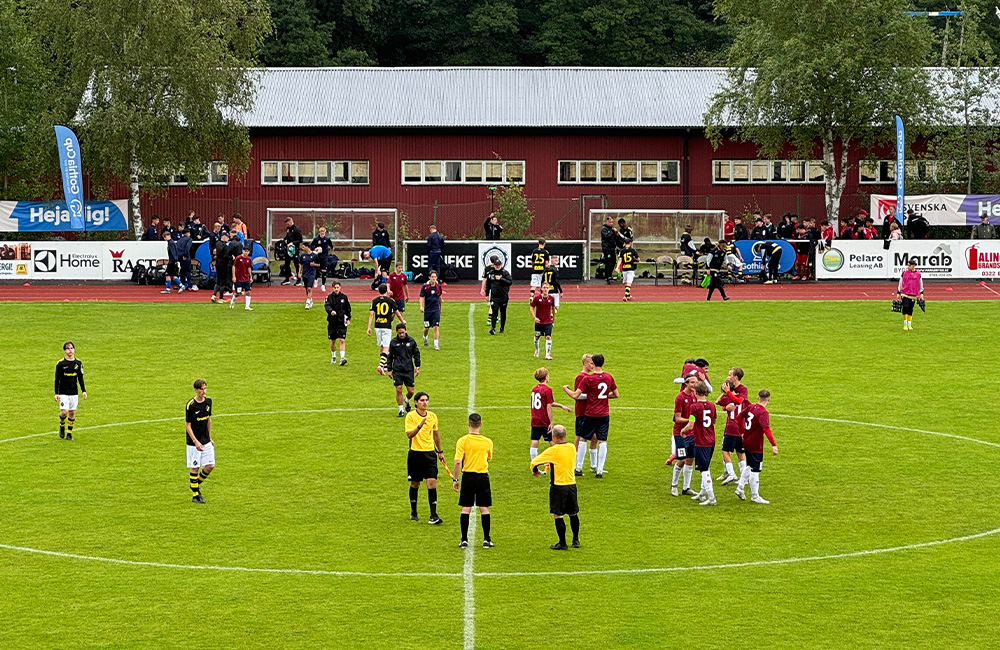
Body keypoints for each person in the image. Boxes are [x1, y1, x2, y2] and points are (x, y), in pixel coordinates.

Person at [561, 353, 618, 479]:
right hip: (601, 413)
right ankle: (598, 470)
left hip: (590, 412)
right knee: (600, 440)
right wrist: (601, 397)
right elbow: (616, 394)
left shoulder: (588, 378)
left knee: (584, 439)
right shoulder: (607, 377)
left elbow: (576, 395)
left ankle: (580, 467)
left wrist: (565, 389)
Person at [529, 425, 581, 550]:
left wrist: (535, 471)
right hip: (571, 484)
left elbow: (534, 462)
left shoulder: (553, 450)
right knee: (573, 513)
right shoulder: (571, 447)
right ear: (565, 435)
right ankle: (575, 539)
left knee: (558, 515)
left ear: (553, 437)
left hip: (558, 486)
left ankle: (562, 543)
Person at [453, 412, 494, 549]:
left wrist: (455, 479)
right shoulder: (488, 441)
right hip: (482, 476)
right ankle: (486, 539)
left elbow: (458, 461)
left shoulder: (462, 440)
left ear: (468, 424)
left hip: (468, 476)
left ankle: (464, 539)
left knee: (466, 508)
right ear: (480, 424)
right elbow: (488, 458)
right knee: (484, 508)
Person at [405, 391, 444, 524]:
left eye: (426, 400)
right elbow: (409, 435)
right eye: (422, 400)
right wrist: (419, 426)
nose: (425, 402)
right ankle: (413, 511)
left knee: (432, 483)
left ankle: (433, 515)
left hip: (430, 454)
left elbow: (436, 435)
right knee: (415, 483)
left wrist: (440, 451)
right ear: (416, 402)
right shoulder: (411, 416)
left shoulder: (432, 416)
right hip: (416, 454)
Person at [733, 389, 778, 504]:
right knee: (755, 470)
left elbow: (738, 417)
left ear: (758, 398)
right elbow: (766, 429)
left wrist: (742, 430)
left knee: (749, 465)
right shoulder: (763, 412)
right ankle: (755, 496)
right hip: (755, 444)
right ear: (768, 400)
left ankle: (740, 487)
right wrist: (773, 445)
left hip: (746, 440)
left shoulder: (751, 407)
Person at [680, 381, 718, 505]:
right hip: (711, 440)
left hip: (701, 441)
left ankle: (711, 498)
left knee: (704, 469)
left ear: (695, 392)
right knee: (705, 466)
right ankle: (702, 493)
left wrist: (683, 430)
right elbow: (715, 420)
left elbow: (691, 424)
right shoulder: (712, 405)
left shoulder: (694, 407)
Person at [530, 367, 572, 465]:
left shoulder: (534, 389)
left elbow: (545, 402)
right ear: (546, 377)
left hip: (535, 418)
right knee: (552, 440)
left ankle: (534, 462)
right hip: (544, 419)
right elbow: (548, 406)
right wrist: (551, 422)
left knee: (535, 441)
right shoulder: (547, 389)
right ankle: (556, 459)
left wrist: (561, 406)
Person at [716, 368, 748, 485]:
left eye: (730, 375)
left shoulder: (742, 389)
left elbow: (738, 401)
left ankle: (732, 474)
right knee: (740, 452)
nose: (728, 377)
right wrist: (725, 407)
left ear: (736, 377)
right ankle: (743, 478)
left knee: (726, 450)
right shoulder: (731, 393)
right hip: (740, 426)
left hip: (733, 425)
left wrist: (728, 392)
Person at [185, 379, 215, 504]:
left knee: (210, 466)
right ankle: (195, 495)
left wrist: (210, 437)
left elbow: (208, 419)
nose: (204, 391)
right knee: (195, 467)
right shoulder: (190, 405)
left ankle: (195, 484)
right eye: (202, 389)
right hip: (194, 443)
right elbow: (188, 425)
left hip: (206, 440)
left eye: (205, 388)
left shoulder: (208, 402)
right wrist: (195, 442)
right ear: (196, 390)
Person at [670, 374, 699, 496]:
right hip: (680, 434)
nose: (694, 385)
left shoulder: (694, 396)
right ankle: (674, 485)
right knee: (681, 459)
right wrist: (690, 420)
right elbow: (677, 418)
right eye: (692, 382)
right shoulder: (680, 398)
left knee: (690, 459)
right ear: (686, 383)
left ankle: (686, 487)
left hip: (691, 433)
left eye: (696, 382)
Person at [367, 284, 404, 375]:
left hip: (377, 326)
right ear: (386, 291)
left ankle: (384, 365)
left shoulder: (374, 301)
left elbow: (371, 314)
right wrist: (402, 321)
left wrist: (369, 327)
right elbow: (397, 312)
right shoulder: (390, 301)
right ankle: (380, 365)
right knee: (386, 347)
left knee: (381, 345)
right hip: (386, 325)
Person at [55, 341, 87, 441]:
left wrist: (83, 390)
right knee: (64, 412)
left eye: (71, 348)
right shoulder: (61, 364)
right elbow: (57, 379)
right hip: (63, 392)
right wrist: (56, 393)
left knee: (72, 412)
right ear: (64, 351)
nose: (70, 350)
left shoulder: (78, 363)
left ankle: (69, 434)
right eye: (68, 348)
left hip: (74, 392)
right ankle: (61, 424)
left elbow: (80, 378)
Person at [388, 323, 421, 417]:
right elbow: (390, 356)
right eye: (399, 333)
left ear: (405, 331)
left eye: (402, 332)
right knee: (398, 389)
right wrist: (389, 369)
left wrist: (417, 367)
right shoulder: (393, 342)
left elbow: (416, 354)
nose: (401, 334)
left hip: (408, 369)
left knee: (411, 391)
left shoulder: (411, 341)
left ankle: (406, 400)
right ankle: (400, 410)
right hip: (397, 369)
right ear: (397, 333)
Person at [483, 256, 512, 335]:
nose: (497, 266)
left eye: (499, 265)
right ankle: (493, 328)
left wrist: (501, 279)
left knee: (503, 312)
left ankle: (502, 327)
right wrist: (486, 294)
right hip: (494, 296)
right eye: (496, 265)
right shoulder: (491, 273)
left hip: (503, 296)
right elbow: (488, 284)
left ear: (501, 265)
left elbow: (510, 282)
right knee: (494, 312)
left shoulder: (505, 273)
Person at [324, 281, 351, 365]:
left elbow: (348, 309)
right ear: (332, 288)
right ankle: (333, 356)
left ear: (340, 287)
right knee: (333, 340)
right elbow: (327, 306)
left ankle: (342, 358)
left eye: (337, 287)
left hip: (341, 322)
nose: (336, 289)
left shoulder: (344, 297)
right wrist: (331, 311)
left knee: (342, 340)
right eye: (335, 288)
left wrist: (348, 318)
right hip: (332, 322)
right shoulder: (329, 297)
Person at [529, 281, 557, 360]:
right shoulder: (537, 298)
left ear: (549, 289)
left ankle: (547, 354)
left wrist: (553, 319)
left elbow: (553, 308)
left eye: (547, 288)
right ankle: (537, 349)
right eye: (544, 288)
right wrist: (534, 317)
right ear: (541, 289)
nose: (545, 289)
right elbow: (531, 307)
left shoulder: (551, 299)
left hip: (548, 321)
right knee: (537, 336)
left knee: (548, 337)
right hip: (539, 322)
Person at [896, 259, 924, 331]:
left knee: (910, 309)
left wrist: (921, 292)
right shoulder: (904, 273)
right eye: (908, 265)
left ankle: (909, 324)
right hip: (904, 293)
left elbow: (920, 283)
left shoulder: (918, 274)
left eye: (909, 265)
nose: (908, 267)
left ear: (913, 266)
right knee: (905, 307)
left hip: (913, 294)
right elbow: (900, 282)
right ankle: (905, 324)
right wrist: (898, 292)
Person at [419, 270, 443, 350]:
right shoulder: (425, 287)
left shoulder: (438, 286)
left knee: (436, 326)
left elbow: (440, 297)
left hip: (435, 309)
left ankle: (436, 344)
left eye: (435, 277)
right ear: (429, 277)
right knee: (427, 327)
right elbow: (421, 297)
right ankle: (425, 337)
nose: (433, 278)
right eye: (432, 277)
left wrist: (440, 308)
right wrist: (421, 306)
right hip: (428, 310)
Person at [280, 217, 303, 285]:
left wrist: (292, 243)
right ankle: (287, 279)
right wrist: (284, 239)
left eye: (288, 224)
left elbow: (300, 240)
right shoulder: (288, 229)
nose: (287, 226)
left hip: (294, 249)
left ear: (291, 222)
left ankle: (299, 279)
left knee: (296, 264)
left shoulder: (297, 229)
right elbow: (288, 236)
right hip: (288, 249)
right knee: (287, 264)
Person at [311, 226, 333, 291]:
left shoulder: (327, 239)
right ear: (319, 233)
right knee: (317, 269)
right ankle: (316, 280)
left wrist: (332, 247)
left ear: (325, 233)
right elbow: (311, 245)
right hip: (317, 256)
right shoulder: (316, 239)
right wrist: (314, 248)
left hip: (324, 257)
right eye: (321, 233)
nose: (322, 234)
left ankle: (323, 285)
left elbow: (331, 244)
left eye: (323, 233)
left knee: (324, 270)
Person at [600, 215, 617, 283]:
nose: (611, 224)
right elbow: (606, 236)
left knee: (613, 262)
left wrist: (616, 233)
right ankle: (607, 277)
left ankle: (610, 275)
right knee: (608, 262)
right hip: (607, 249)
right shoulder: (604, 229)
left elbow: (615, 238)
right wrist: (612, 232)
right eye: (610, 222)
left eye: (612, 222)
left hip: (612, 248)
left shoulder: (612, 229)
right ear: (607, 221)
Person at [162, 230, 181, 294]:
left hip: (172, 261)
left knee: (167, 274)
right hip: (173, 261)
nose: (164, 239)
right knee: (172, 275)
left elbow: (173, 252)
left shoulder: (171, 243)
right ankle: (181, 285)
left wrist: (174, 260)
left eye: (165, 237)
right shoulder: (171, 242)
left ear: (168, 236)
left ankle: (168, 289)